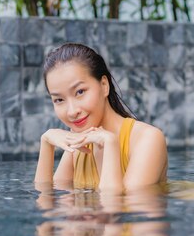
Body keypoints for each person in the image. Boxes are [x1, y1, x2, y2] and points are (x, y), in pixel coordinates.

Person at [34, 43, 168, 192]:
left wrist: (110, 143)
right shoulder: (79, 143)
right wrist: (46, 143)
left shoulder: (148, 139)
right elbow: (47, 201)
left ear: (104, 85)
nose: (72, 111)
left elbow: (117, 207)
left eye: (80, 92)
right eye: (59, 100)